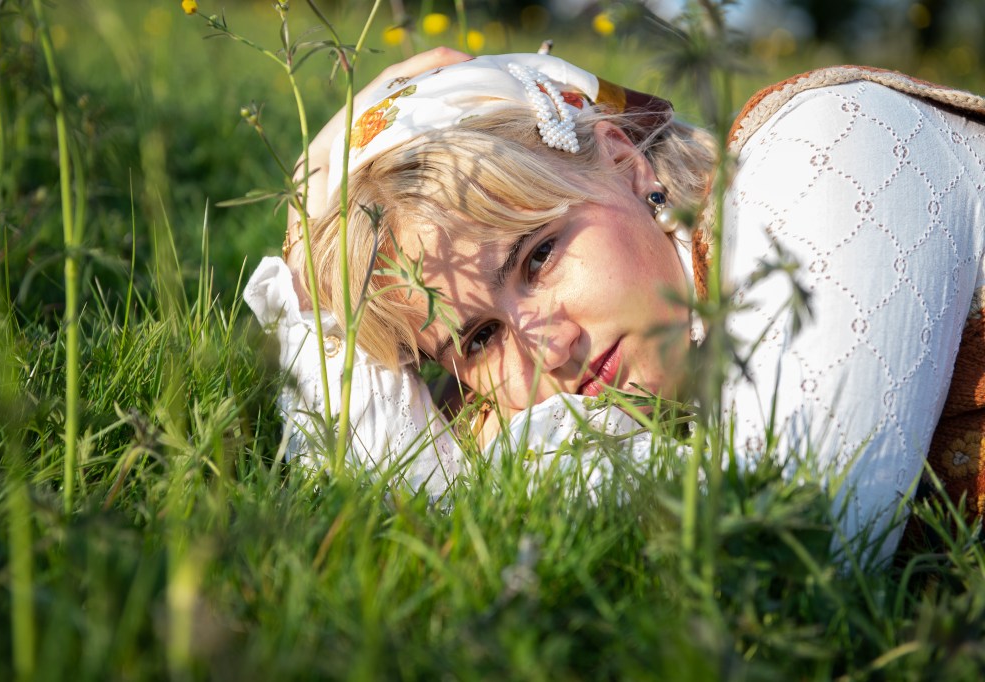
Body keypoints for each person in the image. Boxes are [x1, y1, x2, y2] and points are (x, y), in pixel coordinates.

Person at [245, 48, 985, 561]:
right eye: (478, 338)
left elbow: (798, 535)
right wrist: (311, 295)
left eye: (539, 257)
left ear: (627, 166)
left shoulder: (833, 147)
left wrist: (487, 483)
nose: (546, 346)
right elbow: (380, 519)